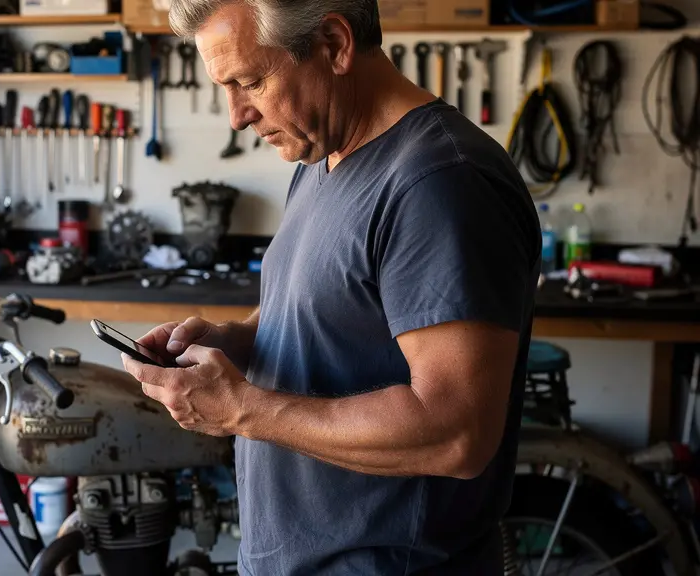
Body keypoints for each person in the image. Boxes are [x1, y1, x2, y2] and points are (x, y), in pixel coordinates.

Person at [120, 0, 541, 574]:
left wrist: (242, 410)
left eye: (250, 81)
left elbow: (456, 433)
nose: (237, 116)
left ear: (336, 45)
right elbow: (325, 319)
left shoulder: (441, 182)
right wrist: (233, 340)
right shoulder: (324, 157)